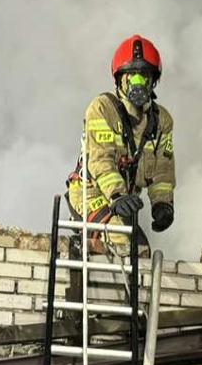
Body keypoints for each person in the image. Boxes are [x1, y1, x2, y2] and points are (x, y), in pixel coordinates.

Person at [66, 34, 175, 243]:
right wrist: (117, 195)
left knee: (140, 248)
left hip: (123, 202)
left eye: (144, 75)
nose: (138, 82)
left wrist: (163, 204)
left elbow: (163, 170)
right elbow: (101, 159)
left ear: (153, 80)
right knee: (124, 242)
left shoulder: (162, 121)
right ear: (119, 78)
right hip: (91, 195)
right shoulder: (102, 109)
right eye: (131, 75)